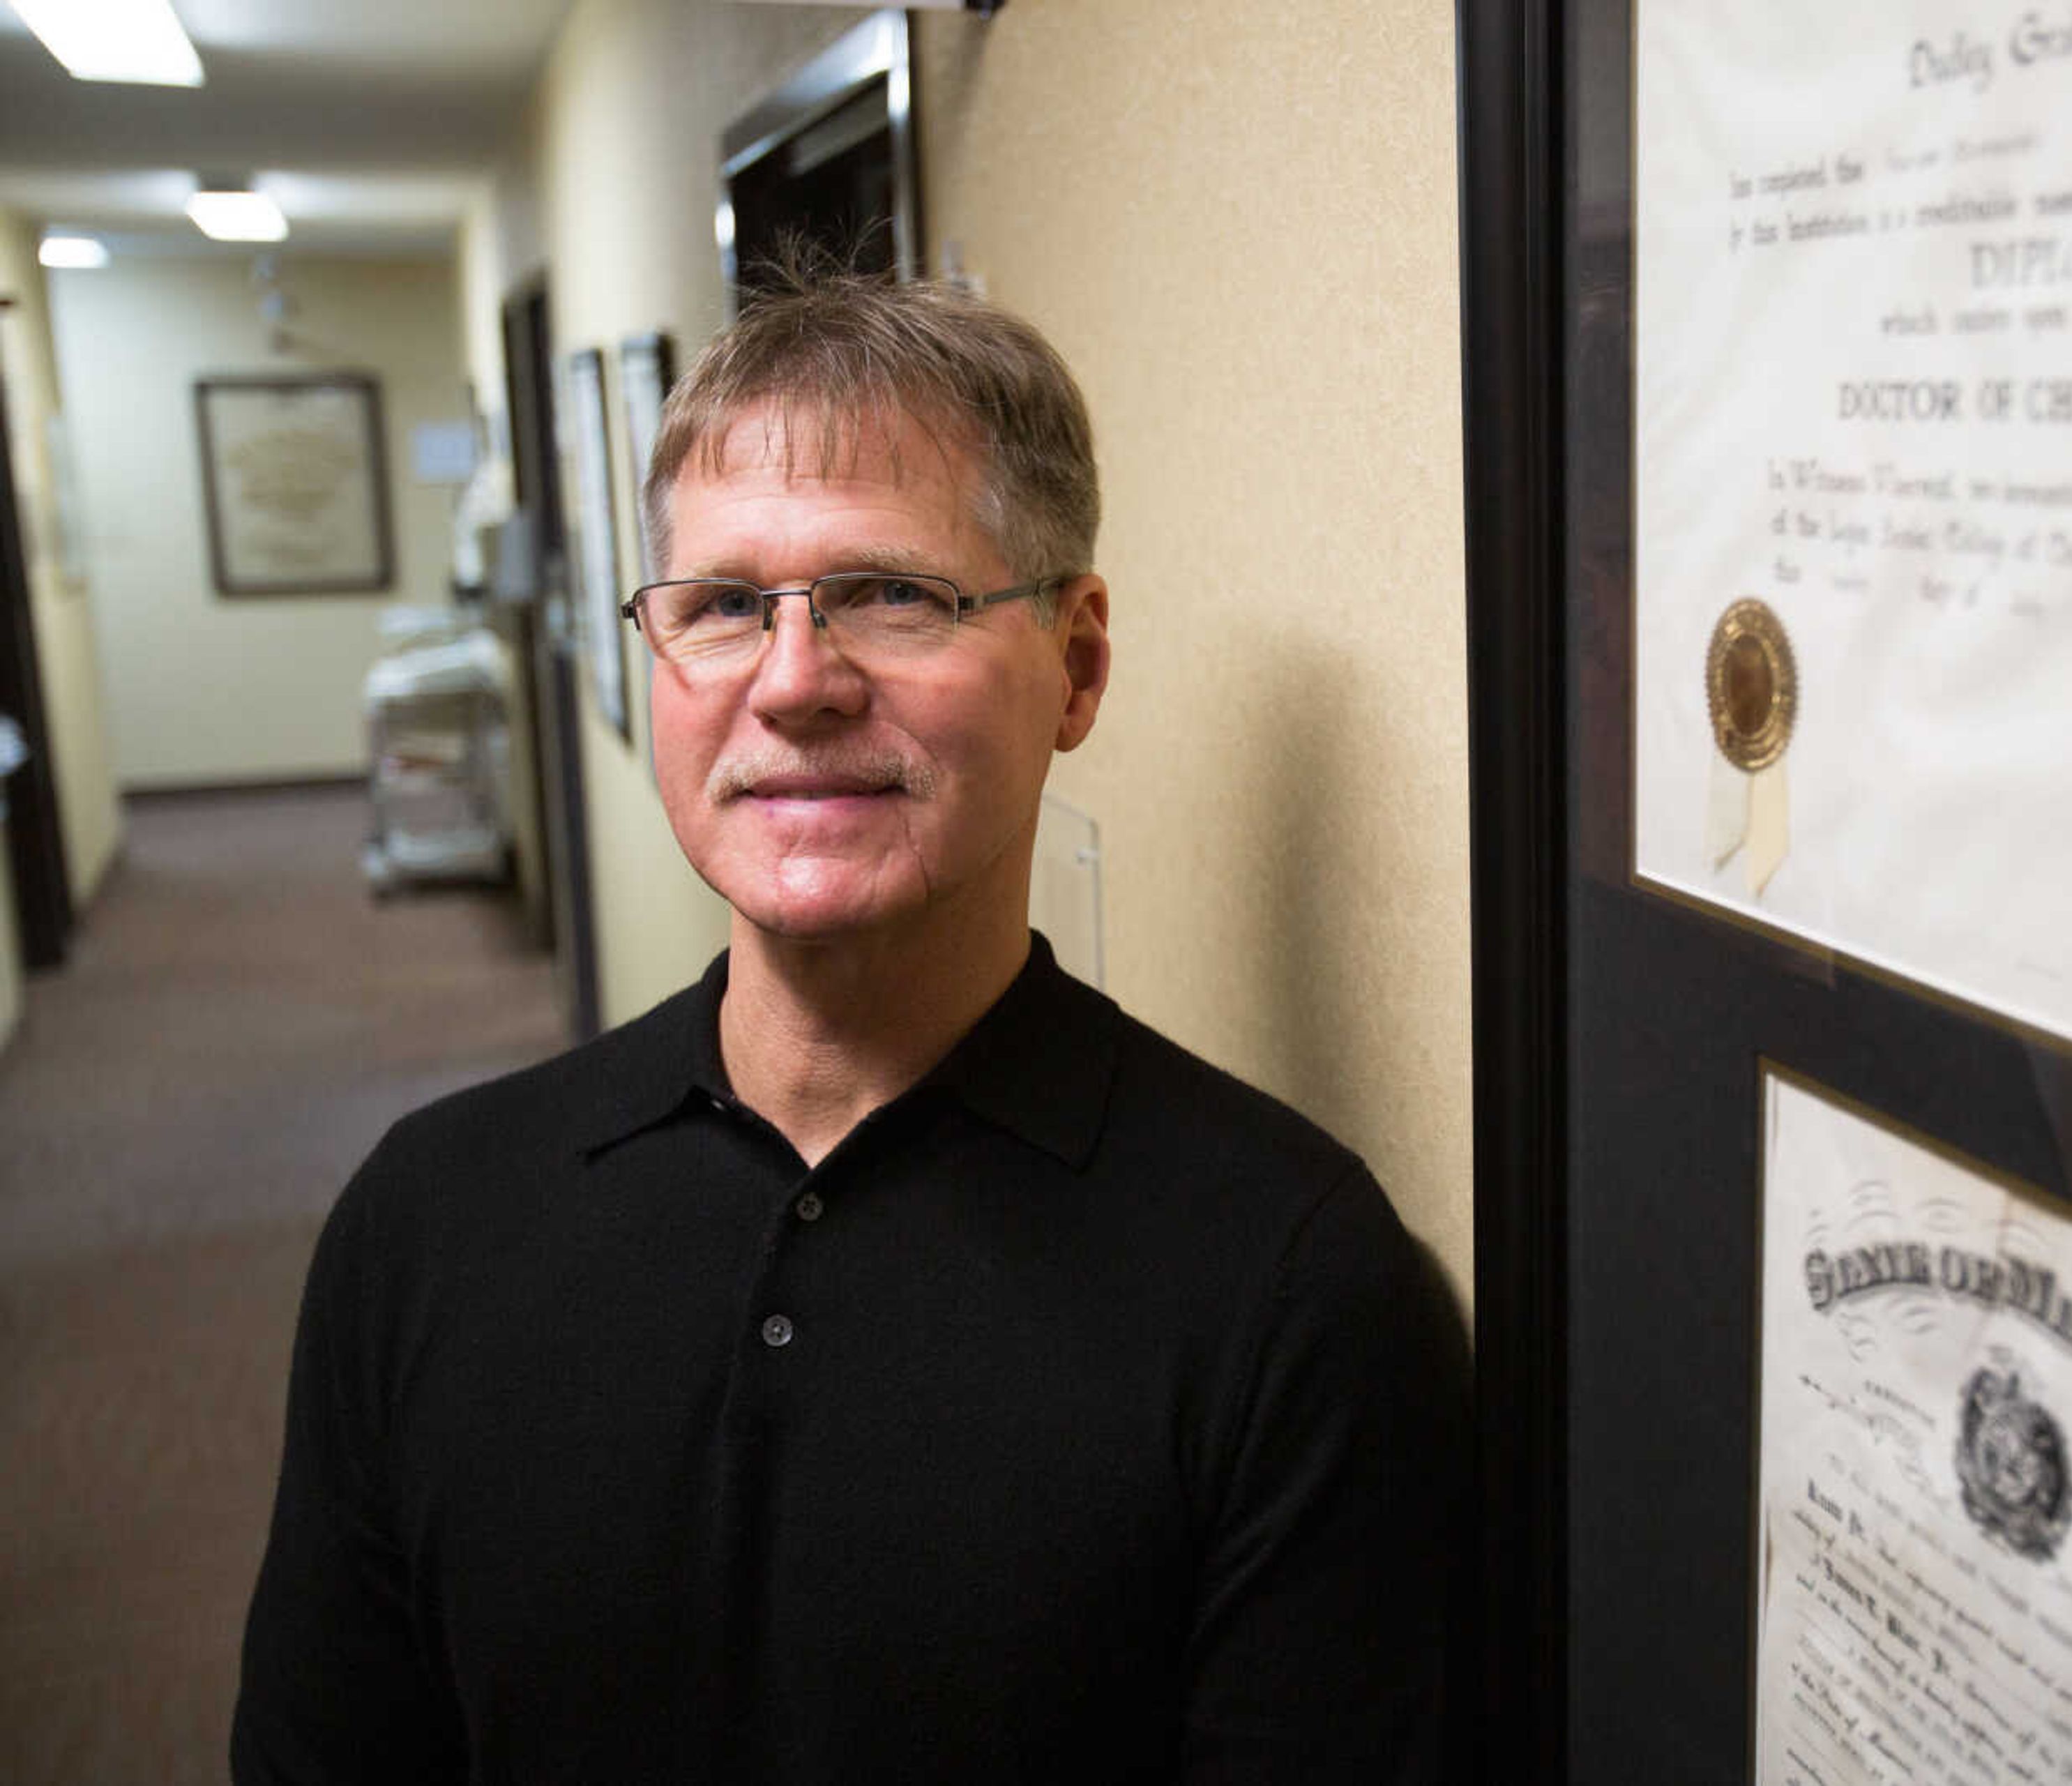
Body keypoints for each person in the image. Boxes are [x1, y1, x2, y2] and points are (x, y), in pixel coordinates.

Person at [233, 263, 1467, 1784]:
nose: (797, 682)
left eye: (898, 594)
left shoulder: (1294, 1288)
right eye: (726, 606)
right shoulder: (424, 1222)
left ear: (1076, 664)